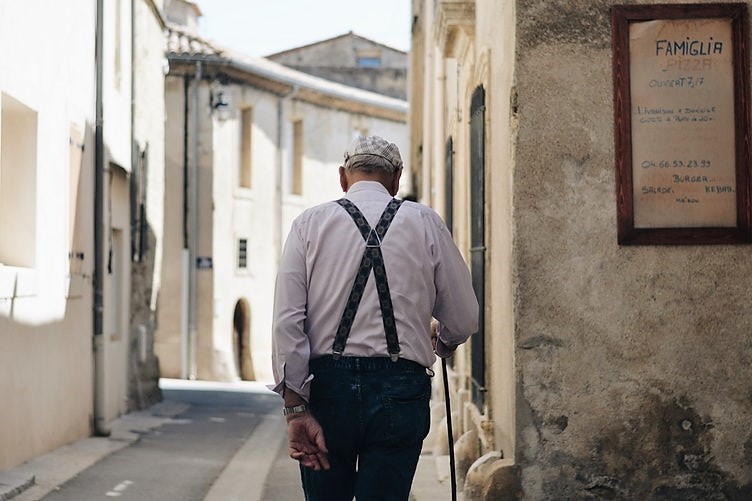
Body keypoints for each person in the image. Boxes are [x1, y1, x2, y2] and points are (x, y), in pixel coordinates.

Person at [270, 135, 478, 500]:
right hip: (400, 390)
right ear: (397, 179)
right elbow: (463, 317)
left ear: (342, 177)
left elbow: (288, 322)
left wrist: (296, 407)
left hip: (327, 390)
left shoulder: (309, 224)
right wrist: (442, 341)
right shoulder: (425, 221)